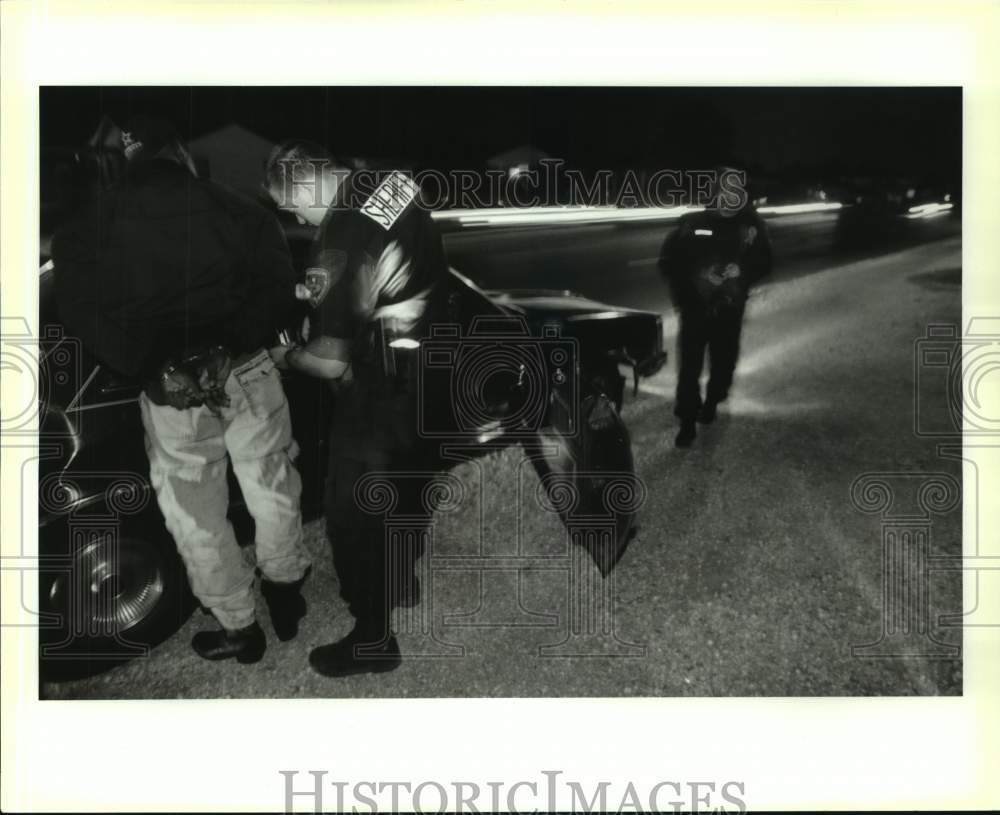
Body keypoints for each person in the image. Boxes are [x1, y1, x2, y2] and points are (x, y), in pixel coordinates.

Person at [52, 115, 312, 663]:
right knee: (271, 484)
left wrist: (153, 366)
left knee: (196, 513)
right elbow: (276, 287)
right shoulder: (239, 207)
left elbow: (83, 315)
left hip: (172, 395)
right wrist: (229, 345)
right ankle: (286, 592)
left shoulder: (84, 230)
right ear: (182, 156)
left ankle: (241, 629)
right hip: (244, 370)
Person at [263, 140, 449, 677]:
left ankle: (373, 639)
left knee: (352, 519)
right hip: (433, 366)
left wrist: (287, 354)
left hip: (380, 391)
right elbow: (387, 270)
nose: (297, 216)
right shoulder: (395, 179)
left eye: (292, 205)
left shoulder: (340, 234)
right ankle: (401, 581)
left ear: (302, 181)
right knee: (411, 486)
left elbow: (327, 362)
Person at [658, 163, 772, 447]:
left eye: (736, 187)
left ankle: (712, 402)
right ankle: (687, 421)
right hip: (696, 308)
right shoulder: (693, 222)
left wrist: (742, 271)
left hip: (730, 310)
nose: (730, 192)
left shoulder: (752, 226)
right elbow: (669, 263)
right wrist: (699, 276)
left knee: (723, 365)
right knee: (690, 368)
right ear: (716, 189)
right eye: (725, 186)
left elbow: (766, 262)